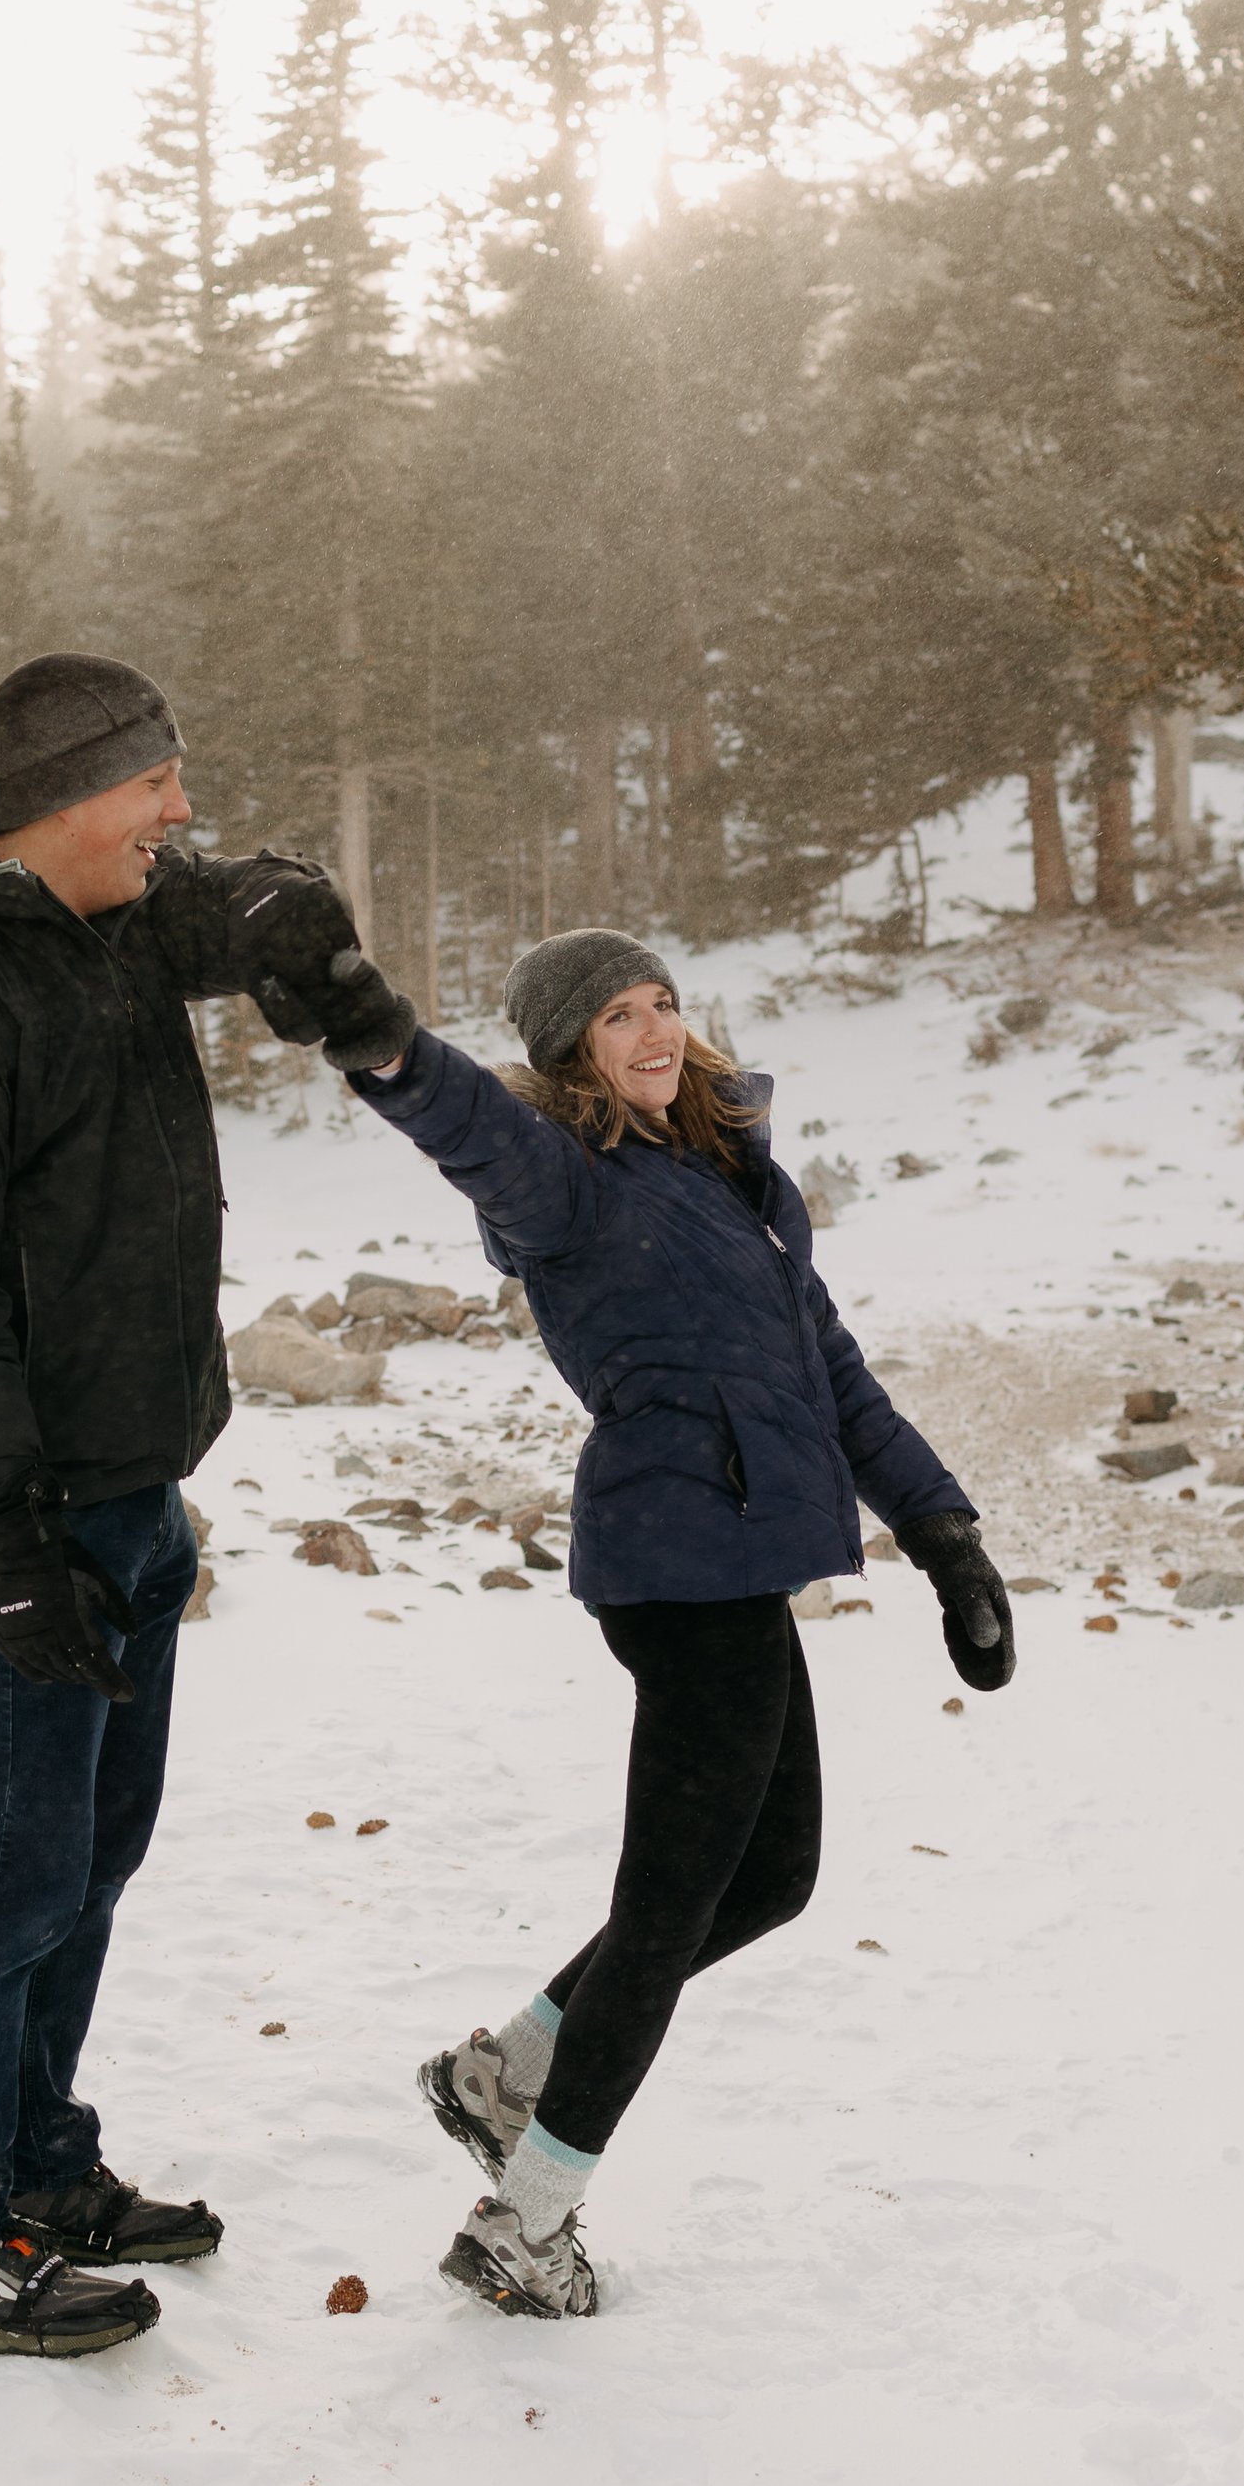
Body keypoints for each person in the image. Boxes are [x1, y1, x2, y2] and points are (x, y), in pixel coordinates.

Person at [285, 920, 1014, 2322]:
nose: (655, 1032)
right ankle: (529, 2216)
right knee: (672, 1896)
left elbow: (833, 1370)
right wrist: (383, 1045)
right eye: (617, 1017)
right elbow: (469, 1125)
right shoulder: (568, 1177)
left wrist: (943, 1531)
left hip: (738, 1563)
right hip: (676, 1567)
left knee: (768, 1875)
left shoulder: (731, 1171)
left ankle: (507, 2068)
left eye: (663, 1001)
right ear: (572, 1053)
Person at [0, 652, 390, 2358]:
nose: (179, 811)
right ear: (66, 801)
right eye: (154, 786)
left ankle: (36, 2169)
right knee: (8, 1874)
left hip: (135, 1492)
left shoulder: (116, 920)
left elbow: (234, 908)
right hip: (23, 1514)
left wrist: (306, 916)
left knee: (92, 1856)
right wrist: (7, 1539)